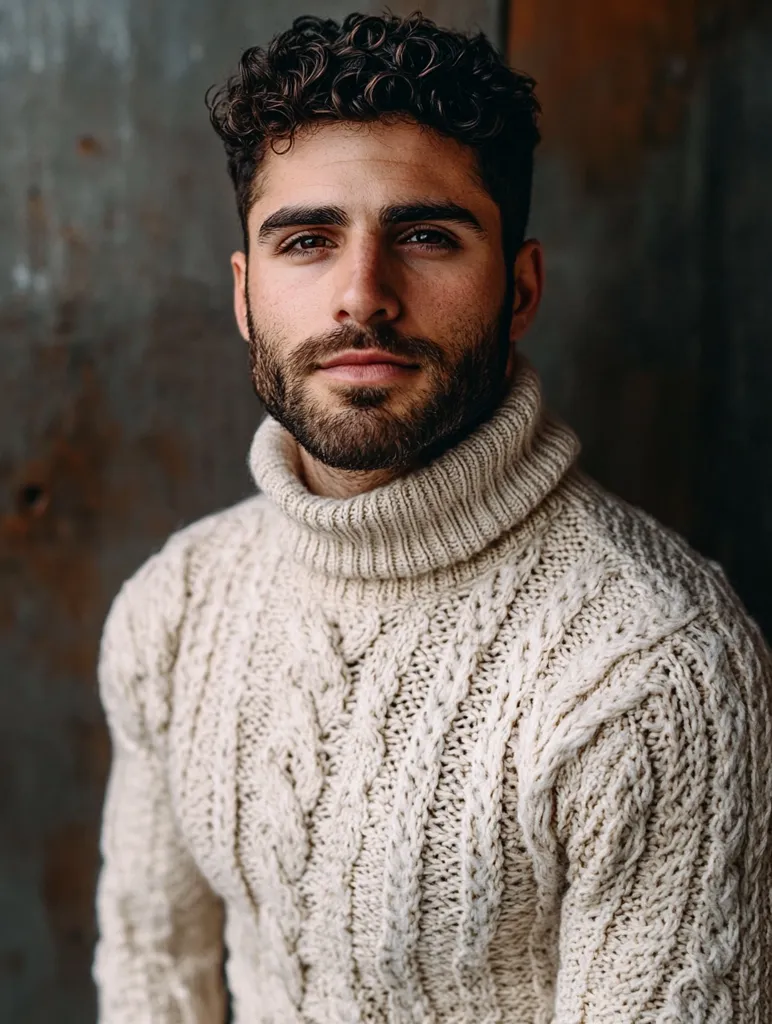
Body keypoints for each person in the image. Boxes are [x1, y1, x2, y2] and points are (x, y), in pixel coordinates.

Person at [92, 10, 772, 1023]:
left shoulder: (652, 664)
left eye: (424, 236)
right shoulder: (180, 606)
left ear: (521, 287)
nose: (362, 296)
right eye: (307, 240)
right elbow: (151, 976)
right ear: (245, 294)